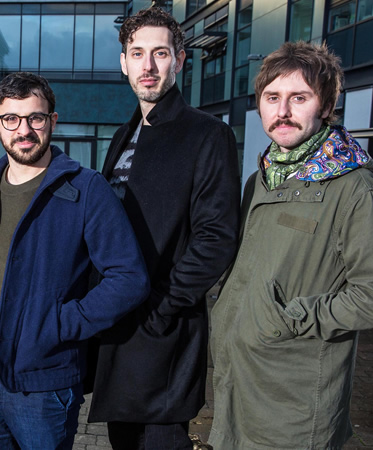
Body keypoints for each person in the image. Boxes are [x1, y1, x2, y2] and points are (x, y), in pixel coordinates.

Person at [209, 41, 373, 449]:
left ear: (327, 105)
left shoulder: (352, 186)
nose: (282, 112)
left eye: (298, 98)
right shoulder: (262, 177)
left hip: (294, 404)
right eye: (272, 98)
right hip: (239, 384)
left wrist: (291, 317)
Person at [0, 72, 150, 449]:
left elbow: (129, 278)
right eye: (11, 119)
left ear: (52, 121)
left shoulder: (86, 189)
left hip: (43, 386)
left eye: (35, 118)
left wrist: (60, 323)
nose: (24, 130)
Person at [87, 8, 241, 449]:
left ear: (179, 59)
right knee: (123, 440)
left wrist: (162, 308)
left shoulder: (209, 135)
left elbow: (216, 237)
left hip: (162, 331)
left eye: (159, 53)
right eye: (137, 53)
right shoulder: (124, 134)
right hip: (119, 327)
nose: (148, 65)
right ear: (124, 63)